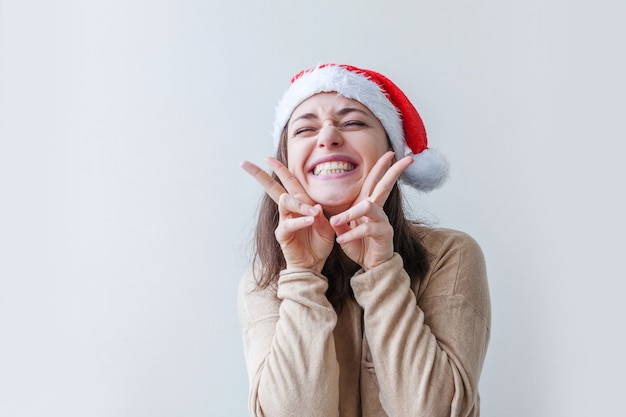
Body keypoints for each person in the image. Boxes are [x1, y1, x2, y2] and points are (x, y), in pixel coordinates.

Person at [238, 64, 491, 417]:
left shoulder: (451, 255)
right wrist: (302, 274)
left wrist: (382, 271)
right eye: (305, 128)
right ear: (288, 163)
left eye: (354, 122)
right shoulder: (263, 281)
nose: (327, 137)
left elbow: (430, 411)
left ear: (391, 150)